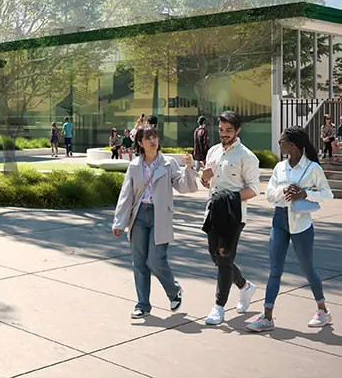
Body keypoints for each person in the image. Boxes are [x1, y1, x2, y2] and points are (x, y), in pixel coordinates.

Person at [246, 127, 334, 332]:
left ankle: (323, 311)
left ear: (292, 145)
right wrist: (283, 190)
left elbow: (327, 194)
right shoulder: (279, 168)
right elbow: (268, 194)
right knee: (275, 270)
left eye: (281, 142)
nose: (279, 145)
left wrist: (305, 193)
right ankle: (267, 316)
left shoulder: (312, 168)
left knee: (307, 269)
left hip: (301, 223)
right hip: (279, 220)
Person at [112, 127, 197, 318]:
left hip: (160, 215)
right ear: (140, 143)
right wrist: (119, 221)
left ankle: (174, 291)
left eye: (155, 137)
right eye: (148, 138)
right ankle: (143, 304)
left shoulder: (168, 163)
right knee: (139, 262)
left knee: (156, 260)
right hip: (139, 215)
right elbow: (126, 195)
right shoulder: (134, 165)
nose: (153, 141)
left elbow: (184, 186)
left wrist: (190, 168)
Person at [200, 111, 260, 326]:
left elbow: (254, 189)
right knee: (216, 257)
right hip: (213, 212)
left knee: (225, 257)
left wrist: (229, 199)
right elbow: (207, 184)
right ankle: (244, 286)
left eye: (229, 131)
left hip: (234, 215)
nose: (224, 134)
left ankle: (219, 307)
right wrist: (204, 178)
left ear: (238, 130)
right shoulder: (213, 152)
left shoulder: (247, 156)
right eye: (221, 130)